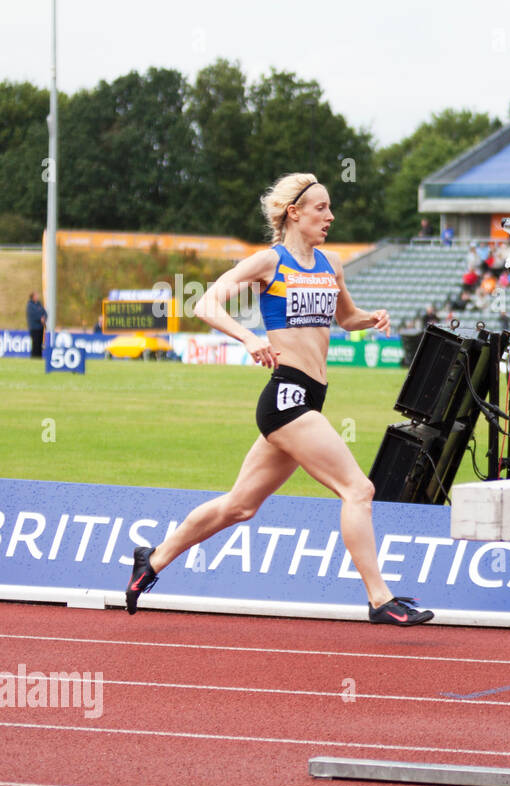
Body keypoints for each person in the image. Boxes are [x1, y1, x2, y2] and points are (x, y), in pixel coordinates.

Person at [124, 172, 433, 626]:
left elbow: (345, 319)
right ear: (293, 212)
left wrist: (372, 318)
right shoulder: (270, 261)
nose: (330, 216)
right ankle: (380, 599)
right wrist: (248, 338)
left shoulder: (331, 265)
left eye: (329, 209)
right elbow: (205, 304)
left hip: (310, 397)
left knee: (240, 506)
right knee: (358, 489)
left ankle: (150, 562)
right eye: (320, 208)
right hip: (286, 398)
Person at [26, 293, 47, 360]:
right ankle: (34, 357)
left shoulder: (39, 304)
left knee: (40, 343)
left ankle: (39, 357)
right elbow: (33, 315)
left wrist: (44, 317)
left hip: (40, 327)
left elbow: (44, 312)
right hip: (34, 327)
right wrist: (40, 318)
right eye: (36, 296)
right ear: (33, 297)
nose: (37, 296)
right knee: (35, 343)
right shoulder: (30, 305)